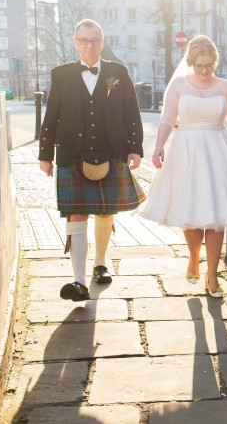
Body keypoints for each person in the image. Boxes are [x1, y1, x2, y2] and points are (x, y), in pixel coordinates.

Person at [136, 35, 227, 298]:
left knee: (217, 217)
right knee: (191, 212)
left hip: (218, 152)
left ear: (215, 63)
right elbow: (167, 118)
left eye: (208, 65)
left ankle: (213, 277)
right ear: (191, 62)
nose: (204, 71)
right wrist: (159, 146)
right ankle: (194, 258)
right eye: (199, 65)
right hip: (186, 151)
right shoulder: (179, 86)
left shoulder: (224, 86)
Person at [38, 18, 145, 302]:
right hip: (73, 153)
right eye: (84, 40)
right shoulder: (61, 75)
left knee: (106, 212)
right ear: (75, 42)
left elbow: (132, 113)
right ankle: (78, 281)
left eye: (95, 40)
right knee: (77, 214)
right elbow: (51, 117)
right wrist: (45, 154)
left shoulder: (118, 72)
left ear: (102, 42)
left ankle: (100, 264)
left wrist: (135, 148)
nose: (89, 45)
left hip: (112, 151)